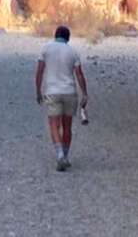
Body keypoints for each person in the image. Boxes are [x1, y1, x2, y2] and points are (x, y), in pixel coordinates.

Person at [34, 25, 88, 171]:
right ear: (68, 38)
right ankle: (65, 155)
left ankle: (59, 155)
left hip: (52, 92)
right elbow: (79, 75)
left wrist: (38, 91)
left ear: (55, 35)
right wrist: (85, 94)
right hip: (70, 93)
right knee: (67, 127)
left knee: (53, 124)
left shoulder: (45, 48)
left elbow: (39, 72)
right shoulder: (73, 51)